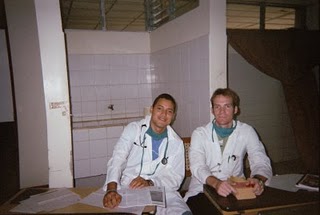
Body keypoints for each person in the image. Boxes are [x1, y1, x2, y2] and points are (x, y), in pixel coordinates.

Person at [184, 88, 272, 214]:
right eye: (217, 107)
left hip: (237, 189)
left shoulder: (247, 131)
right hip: (203, 189)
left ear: (235, 109)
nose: (222, 112)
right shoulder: (200, 133)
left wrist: (257, 179)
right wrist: (217, 183)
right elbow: (197, 166)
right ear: (212, 110)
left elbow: (261, 161)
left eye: (227, 106)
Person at [102, 93, 192, 215]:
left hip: (162, 191)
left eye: (169, 111)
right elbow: (118, 158)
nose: (163, 115)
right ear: (151, 110)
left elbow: (175, 178)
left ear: (173, 116)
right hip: (130, 187)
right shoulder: (134, 129)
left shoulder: (176, 143)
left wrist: (150, 182)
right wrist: (111, 189)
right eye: (159, 109)